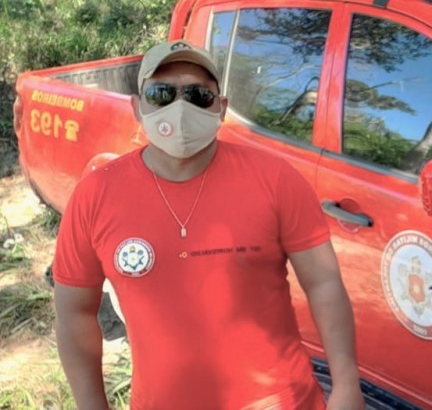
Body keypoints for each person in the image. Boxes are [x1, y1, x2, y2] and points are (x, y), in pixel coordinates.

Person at [52, 40, 364, 410]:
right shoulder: (96, 195)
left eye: (198, 95)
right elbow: (74, 312)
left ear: (221, 108)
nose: (180, 107)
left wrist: (347, 385)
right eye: (161, 94)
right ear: (137, 107)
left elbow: (323, 282)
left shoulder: (275, 179)